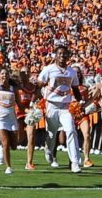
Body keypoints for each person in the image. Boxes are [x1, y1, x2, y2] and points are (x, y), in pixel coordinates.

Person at [36, 40, 85, 174]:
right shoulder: (48, 69)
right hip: (51, 105)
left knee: (71, 130)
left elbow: (75, 89)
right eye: (60, 54)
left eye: (65, 54)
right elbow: (38, 85)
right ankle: (49, 149)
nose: (62, 56)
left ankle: (75, 162)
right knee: (52, 134)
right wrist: (35, 102)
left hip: (65, 106)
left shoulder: (71, 72)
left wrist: (80, 102)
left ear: (68, 56)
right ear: (55, 56)